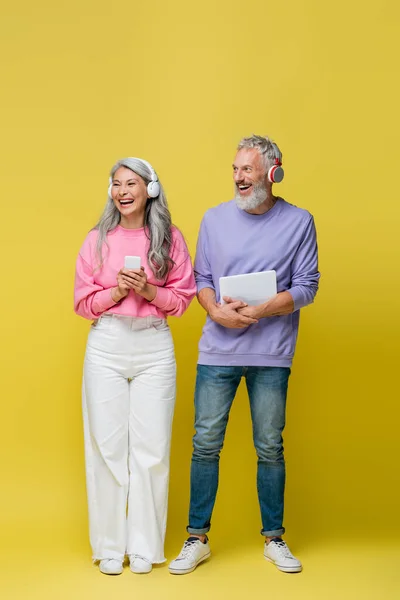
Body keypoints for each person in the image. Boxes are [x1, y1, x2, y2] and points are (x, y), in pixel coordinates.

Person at [169, 135, 320, 575]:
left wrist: (261, 309)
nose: (238, 177)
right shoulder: (214, 219)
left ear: (272, 172)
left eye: (247, 169)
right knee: (205, 444)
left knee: (270, 446)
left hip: (272, 353)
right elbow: (202, 276)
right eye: (235, 169)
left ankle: (275, 539)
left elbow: (307, 285)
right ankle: (196, 538)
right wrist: (215, 308)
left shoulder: (299, 221)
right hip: (217, 350)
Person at [74, 157, 196, 575]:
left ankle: (145, 547)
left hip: (154, 347)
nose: (122, 191)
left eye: (131, 183)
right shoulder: (97, 240)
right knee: (107, 448)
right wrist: (113, 293)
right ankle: (110, 546)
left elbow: (182, 300)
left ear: (150, 190)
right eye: (116, 184)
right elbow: (81, 302)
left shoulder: (171, 239)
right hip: (106, 343)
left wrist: (148, 290)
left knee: (152, 449)